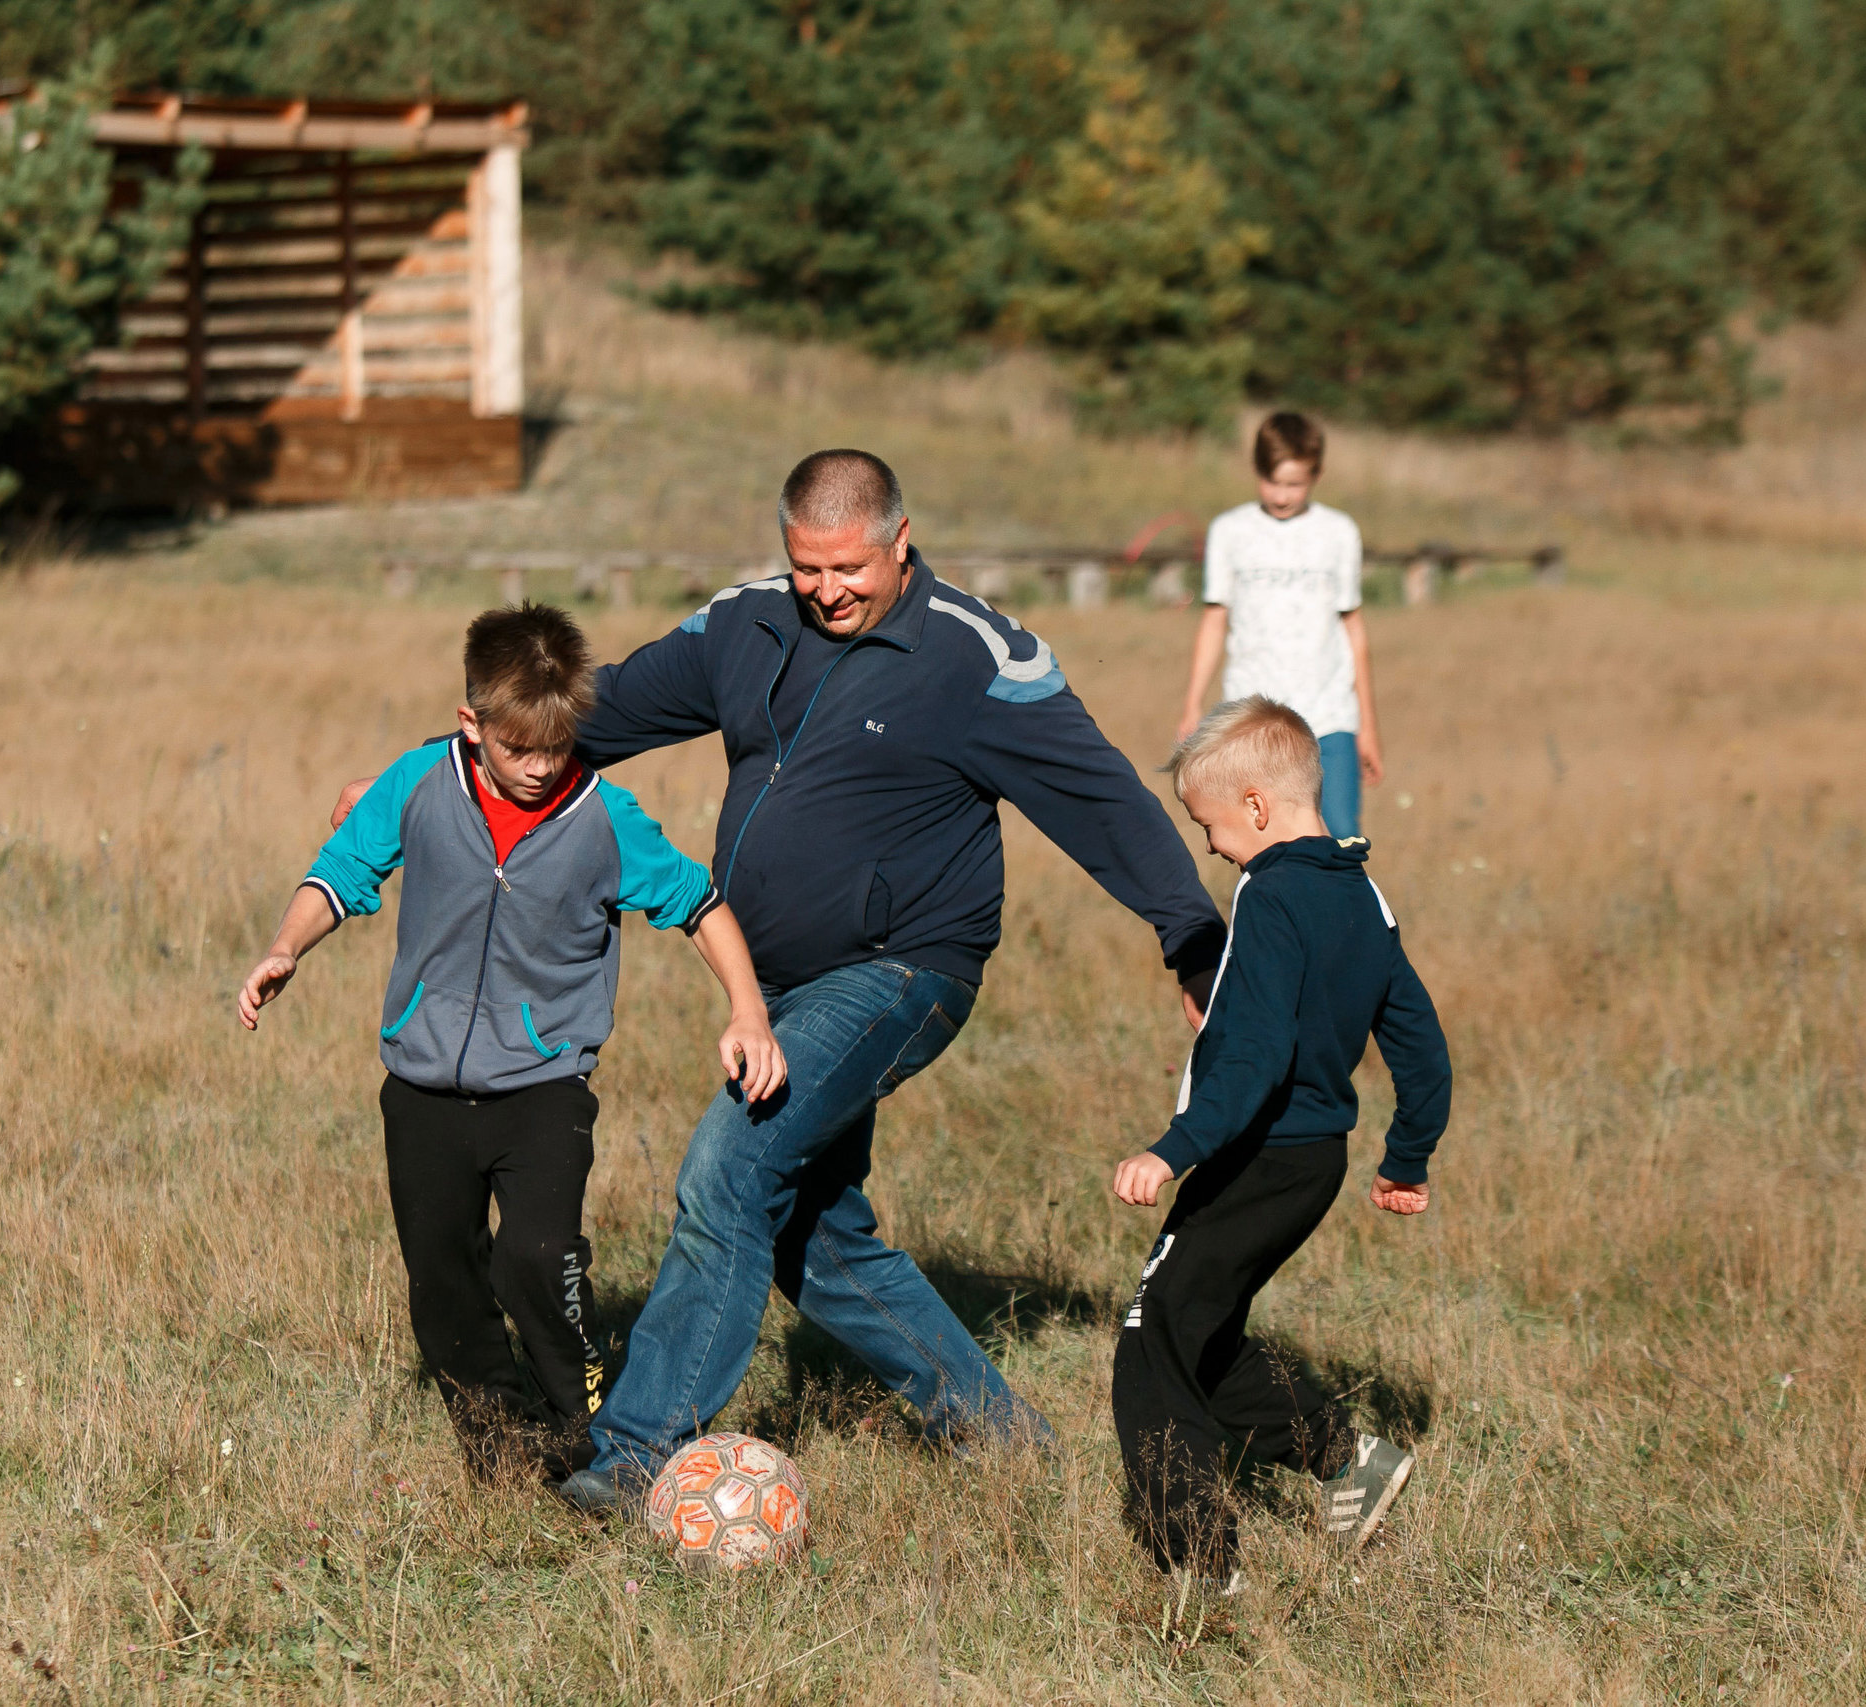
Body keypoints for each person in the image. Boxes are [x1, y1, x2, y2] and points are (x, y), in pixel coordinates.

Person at [524, 448, 1231, 1513]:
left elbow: (1103, 799)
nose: (827, 591)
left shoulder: (975, 658)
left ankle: (634, 1454)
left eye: (848, 568)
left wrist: (1191, 935)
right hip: (772, 985)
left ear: (901, 541)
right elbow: (594, 715)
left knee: (730, 1168)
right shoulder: (747, 623)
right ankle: (999, 1437)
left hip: (902, 970)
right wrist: (438, 774)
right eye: (806, 568)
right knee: (811, 1231)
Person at [240, 603, 786, 1482]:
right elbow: (341, 868)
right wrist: (284, 946)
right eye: (518, 748)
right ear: (472, 723)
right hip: (421, 1085)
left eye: (556, 747)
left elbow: (700, 904)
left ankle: (589, 1428)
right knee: (442, 1283)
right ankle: (503, 1455)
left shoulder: (605, 818)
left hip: (542, 1085)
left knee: (538, 1259)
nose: (538, 767)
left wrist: (748, 1010)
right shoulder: (419, 783)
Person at [1108, 695, 1451, 1588]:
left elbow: (1256, 1054)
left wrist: (1174, 1148)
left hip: (1254, 1153)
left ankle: (1199, 1565)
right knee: (1202, 1328)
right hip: (1315, 1160)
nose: (1214, 848)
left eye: (1211, 827)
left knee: (1152, 1341)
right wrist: (1406, 1155)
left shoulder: (1269, 893)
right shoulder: (1361, 892)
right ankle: (1346, 1460)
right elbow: (1420, 1043)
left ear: (1256, 806)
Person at [1174, 411, 1383, 839]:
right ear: (1257, 470)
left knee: (1341, 838)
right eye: (1272, 482)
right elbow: (1214, 621)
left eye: (1295, 484)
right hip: (1254, 718)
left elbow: (1353, 630)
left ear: (1316, 475)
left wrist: (1367, 727)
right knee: (1262, 838)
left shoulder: (1339, 532)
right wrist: (1193, 705)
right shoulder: (1230, 531)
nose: (1282, 495)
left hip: (1329, 717)